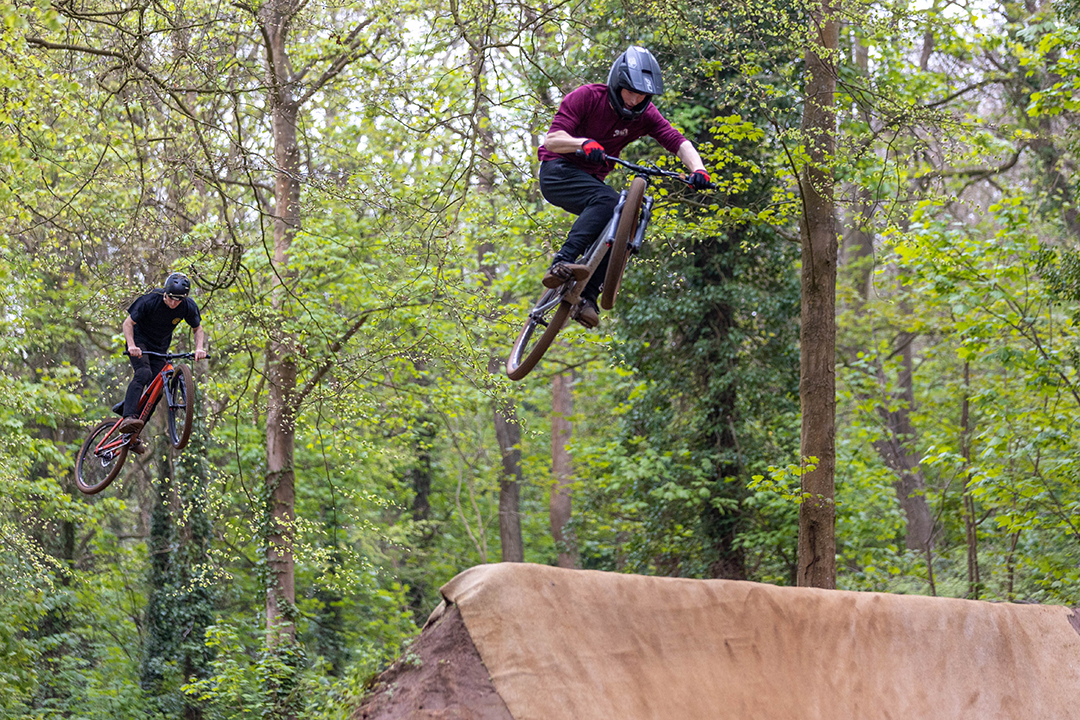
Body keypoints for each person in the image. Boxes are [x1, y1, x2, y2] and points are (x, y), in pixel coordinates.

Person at [537, 45, 711, 328]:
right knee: (607, 202)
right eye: (631, 91)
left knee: (623, 218)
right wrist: (582, 143)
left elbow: (678, 142)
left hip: (590, 181)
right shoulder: (587, 97)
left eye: (643, 95)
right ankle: (562, 262)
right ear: (618, 84)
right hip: (558, 172)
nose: (636, 99)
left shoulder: (646, 114)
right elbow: (552, 139)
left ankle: (588, 298)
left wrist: (698, 169)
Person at [116, 273, 207, 446]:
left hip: (159, 347)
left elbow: (197, 329)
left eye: (178, 300)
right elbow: (128, 323)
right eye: (171, 298)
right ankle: (128, 417)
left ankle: (134, 435)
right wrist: (131, 346)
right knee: (143, 373)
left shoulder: (187, 306)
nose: (174, 303)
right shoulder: (150, 300)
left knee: (157, 390)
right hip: (140, 341)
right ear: (165, 293)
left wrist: (199, 348)